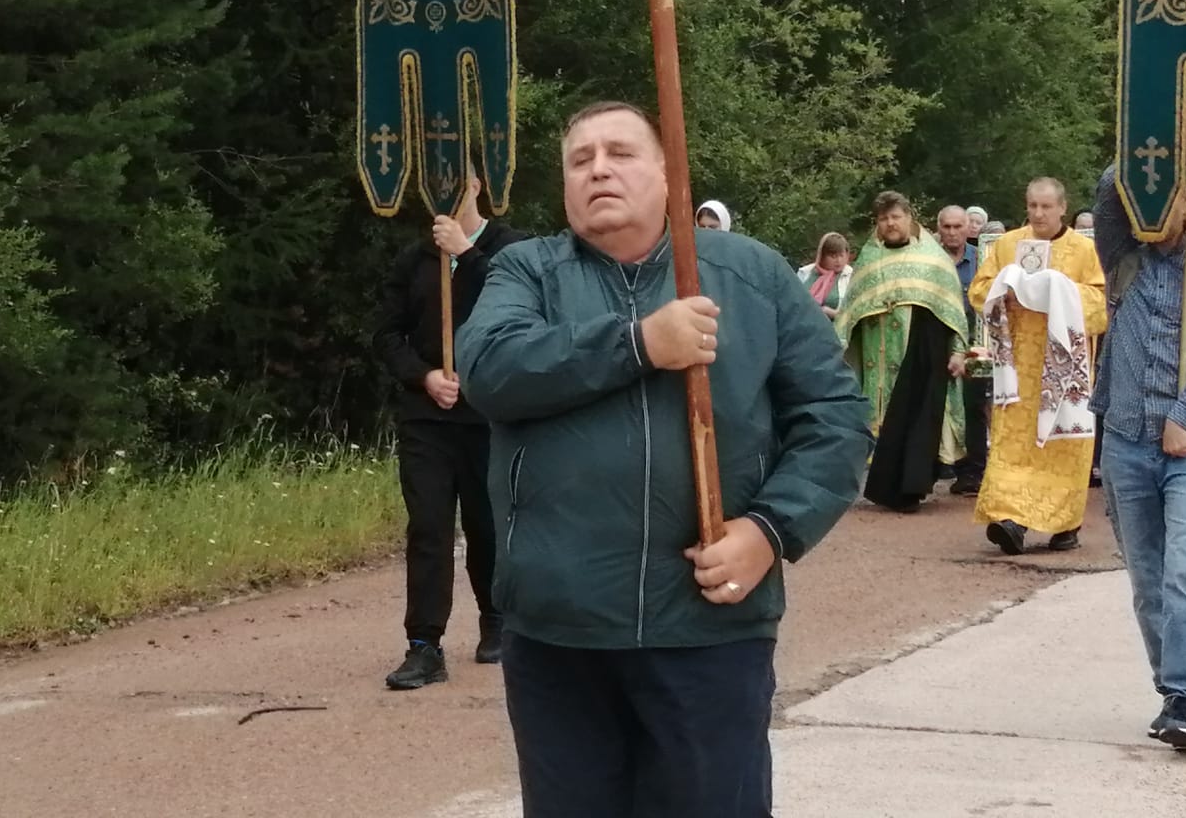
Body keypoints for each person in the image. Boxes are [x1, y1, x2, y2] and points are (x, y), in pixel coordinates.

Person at [456, 102, 868, 818]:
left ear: (668, 173)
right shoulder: (529, 271)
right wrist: (639, 343)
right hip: (561, 633)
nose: (599, 169)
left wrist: (770, 530)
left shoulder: (752, 276)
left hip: (707, 627)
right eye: (580, 160)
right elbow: (490, 371)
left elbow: (835, 417)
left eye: (620, 152)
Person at [1091, 118, 1186, 755]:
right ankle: (1167, 688)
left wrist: (1185, 413)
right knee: (1148, 579)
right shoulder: (1122, 259)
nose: (1166, 212)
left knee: (1185, 572)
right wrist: (1165, 143)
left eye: (1178, 200)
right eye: (1158, 200)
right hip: (1124, 440)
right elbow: (1107, 188)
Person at [371, 176, 528, 689]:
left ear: (477, 184)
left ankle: (496, 621)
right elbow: (386, 335)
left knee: (486, 525)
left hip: (486, 414)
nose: (444, 192)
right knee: (429, 528)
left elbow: (524, 307)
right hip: (426, 417)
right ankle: (424, 646)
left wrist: (467, 254)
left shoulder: (508, 250)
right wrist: (425, 375)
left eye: (455, 182)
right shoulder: (414, 259)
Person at [970, 178, 1106, 554]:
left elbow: (1100, 305)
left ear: (1063, 208)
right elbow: (979, 291)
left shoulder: (1083, 250)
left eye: (1046, 207)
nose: (1039, 214)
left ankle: (1065, 522)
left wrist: (1058, 290)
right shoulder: (1008, 245)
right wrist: (1005, 292)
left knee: (1061, 446)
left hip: (1063, 372)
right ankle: (1010, 518)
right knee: (1012, 445)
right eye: (1032, 206)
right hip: (1017, 370)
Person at [835, 193, 969, 512]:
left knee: (917, 417)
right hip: (876, 356)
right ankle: (885, 485)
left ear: (909, 218)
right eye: (884, 219)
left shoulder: (932, 258)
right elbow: (849, 310)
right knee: (880, 417)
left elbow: (951, 309)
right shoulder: (869, 258)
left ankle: (910, 487)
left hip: (919, 352)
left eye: (896, 216)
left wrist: (959, 350)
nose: (890, 223)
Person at [935, 204, 986, 496]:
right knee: (936, 406)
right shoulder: (930, 261)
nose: (953, 233)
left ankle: (973, 471)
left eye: (958, 227)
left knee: (973, 405)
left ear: (968, 228)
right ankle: (938, 465)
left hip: (976, 345)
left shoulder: (982, 261)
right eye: (947, 227)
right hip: (939, 344)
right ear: (939, 228)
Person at [798, 231, 852, 312]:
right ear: (822, 256)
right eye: (833, 256)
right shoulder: (805, 272)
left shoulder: (851, 275)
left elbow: (854, 312)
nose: (838, 260)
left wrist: (832, 313)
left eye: (841, 255)